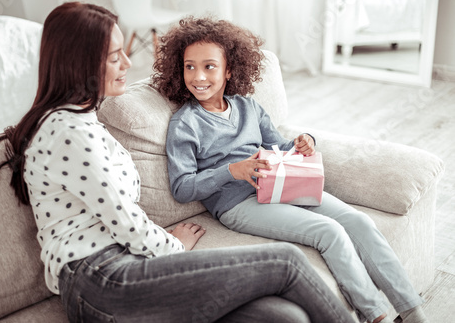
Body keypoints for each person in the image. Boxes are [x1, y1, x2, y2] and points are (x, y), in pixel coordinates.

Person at [0, 2, 355, 323]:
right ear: (80, 61)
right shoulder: (67, 132)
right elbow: (125, 220)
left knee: (282, 317)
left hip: (125, 270)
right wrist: (172, 245)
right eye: (114, 56)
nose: (128, 63)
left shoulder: (84, 121)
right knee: (286, 262)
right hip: (102, 283)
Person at [153, 16, 429, 323]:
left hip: (281, 184)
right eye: (189, 66)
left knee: (358, 220)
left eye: (209, 66)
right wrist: (232, 170)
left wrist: (304, 142)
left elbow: (280, 147)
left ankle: (412, 312)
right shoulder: (185, 124)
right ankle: (375, 315)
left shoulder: (248, 107)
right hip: (238, 205)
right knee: (329, 232)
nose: (198, 76)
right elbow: (182, 188)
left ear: (229, 69)